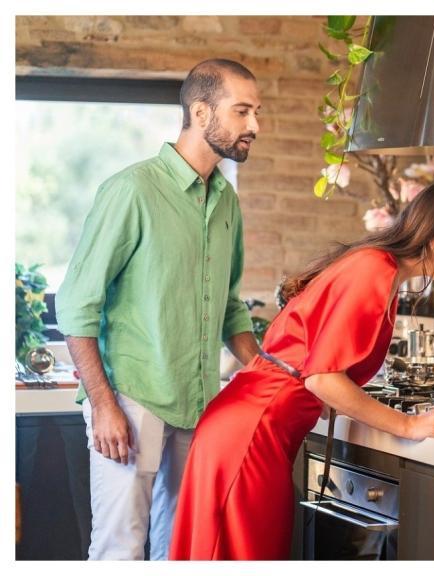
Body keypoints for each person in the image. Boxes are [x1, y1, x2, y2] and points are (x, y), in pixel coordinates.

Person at [169, 182, 434, 560]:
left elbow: (313, 364)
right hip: (251, 435)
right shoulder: (375, 269)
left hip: (257, 431)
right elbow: (322, 378)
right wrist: (407, 425)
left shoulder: (378, 267)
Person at [55, 58, 263, 560]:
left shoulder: (227, 203)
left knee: (182, 552)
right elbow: (76, 305)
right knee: (119, 551)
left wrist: (266, 372)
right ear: (199, 111)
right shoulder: (132, 191)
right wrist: (104, 406)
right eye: (242, 112)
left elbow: (231, 308)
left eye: (256, 112)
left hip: (198, 405)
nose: (254, 126)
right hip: (132, 401)